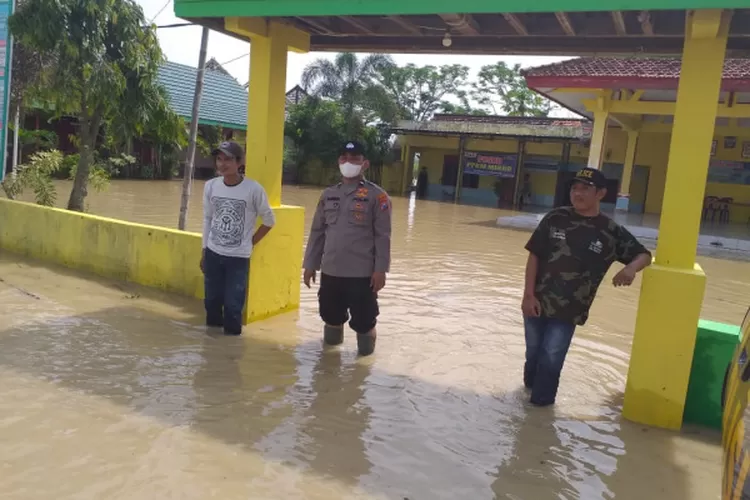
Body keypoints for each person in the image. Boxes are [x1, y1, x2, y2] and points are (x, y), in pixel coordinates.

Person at [521, 167, 652, 406]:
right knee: (533, 353)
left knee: (552, 358)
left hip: (569, 310)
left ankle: (539, 411)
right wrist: (528, 295)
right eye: (574, 188)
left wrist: (630, 269)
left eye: (585, 188)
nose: (577, 193)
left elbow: (644, 255)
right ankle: (526, 400)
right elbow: (534, 255)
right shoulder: (555, 218)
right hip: (536, 302)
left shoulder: (610, 232)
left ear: (601, 193)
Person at [302, 140, 392, 356]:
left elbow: (383, 236)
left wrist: (381, 270)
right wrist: (310, 265)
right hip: (331, 271)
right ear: (338, 162)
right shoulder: (328, 195)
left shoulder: (377, 197)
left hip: (362, 275)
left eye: (354, 158)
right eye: (344, 158)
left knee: (364, 323)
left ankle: (364, 371)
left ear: (365, 164)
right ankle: (329, 367)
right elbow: (317, 232)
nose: (348, 162)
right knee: (331, 318)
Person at [200, 141, 275, 336]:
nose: (222, 164)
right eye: (219, 159)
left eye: (228, 159)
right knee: (211, 303)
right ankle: (212, 350)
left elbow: (269, 220)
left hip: (238, 259)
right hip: (213, 254)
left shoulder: (253, 189)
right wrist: (204, 250)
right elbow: (208, 218)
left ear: (240, 162)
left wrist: (250, 242)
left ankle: (231, 354)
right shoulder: (210, 186)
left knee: (233, 307)